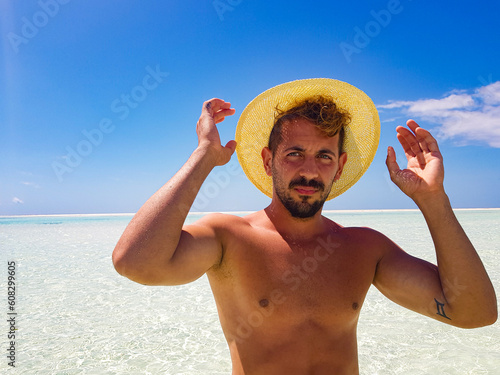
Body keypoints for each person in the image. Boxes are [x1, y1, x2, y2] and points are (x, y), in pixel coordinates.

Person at [112, 79, 497, 374]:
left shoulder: (365, 249)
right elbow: (135, 262)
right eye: (294, 153)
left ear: (340, 166)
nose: (310, 170)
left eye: (324, 156)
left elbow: (474, 313)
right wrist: (204, 157)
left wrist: (433, 200)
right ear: (268, 160)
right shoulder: (229, 238)